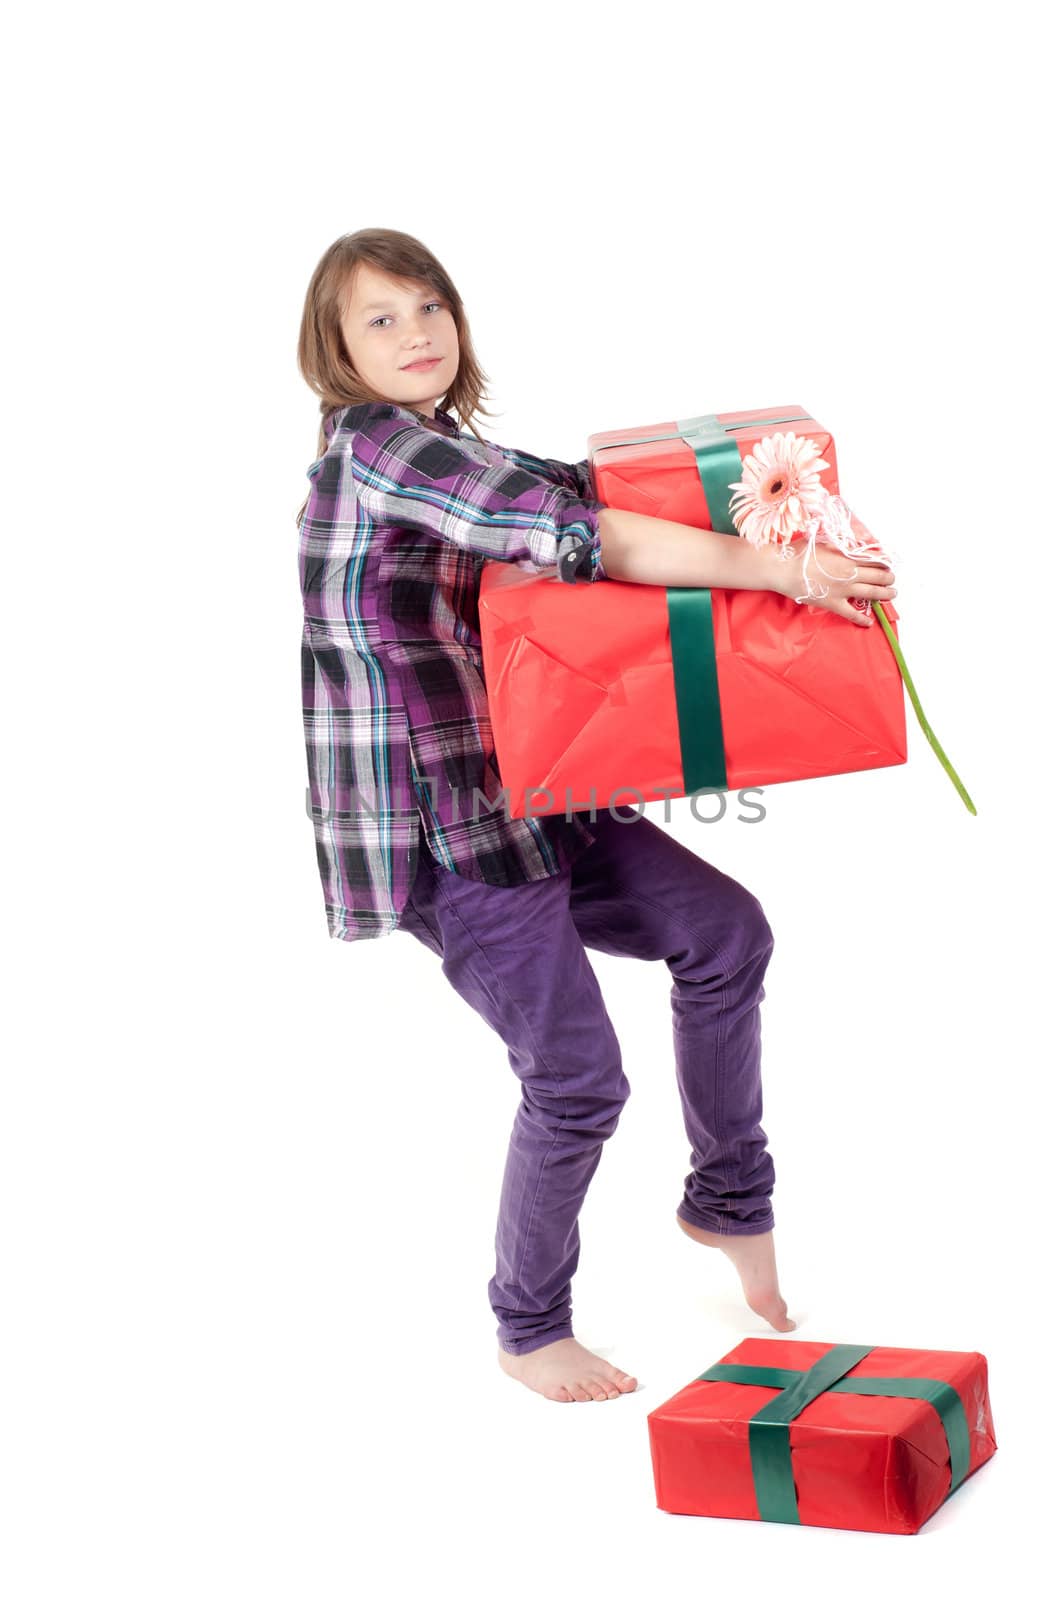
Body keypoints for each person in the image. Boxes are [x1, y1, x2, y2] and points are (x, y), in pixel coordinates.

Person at [294, 228, 899, 1405]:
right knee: (575, 1080)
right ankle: (528, 1327)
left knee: (725, 932)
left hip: (531, 789)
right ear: (333, 349)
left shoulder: (441, 445)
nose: (415, 332)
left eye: (429, 306)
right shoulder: (378, 451)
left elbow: (581, 489)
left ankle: (725, 1201)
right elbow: (587, 537)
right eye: (379, 318)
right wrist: (776, 572)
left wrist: (787, 523)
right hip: (447, 827)